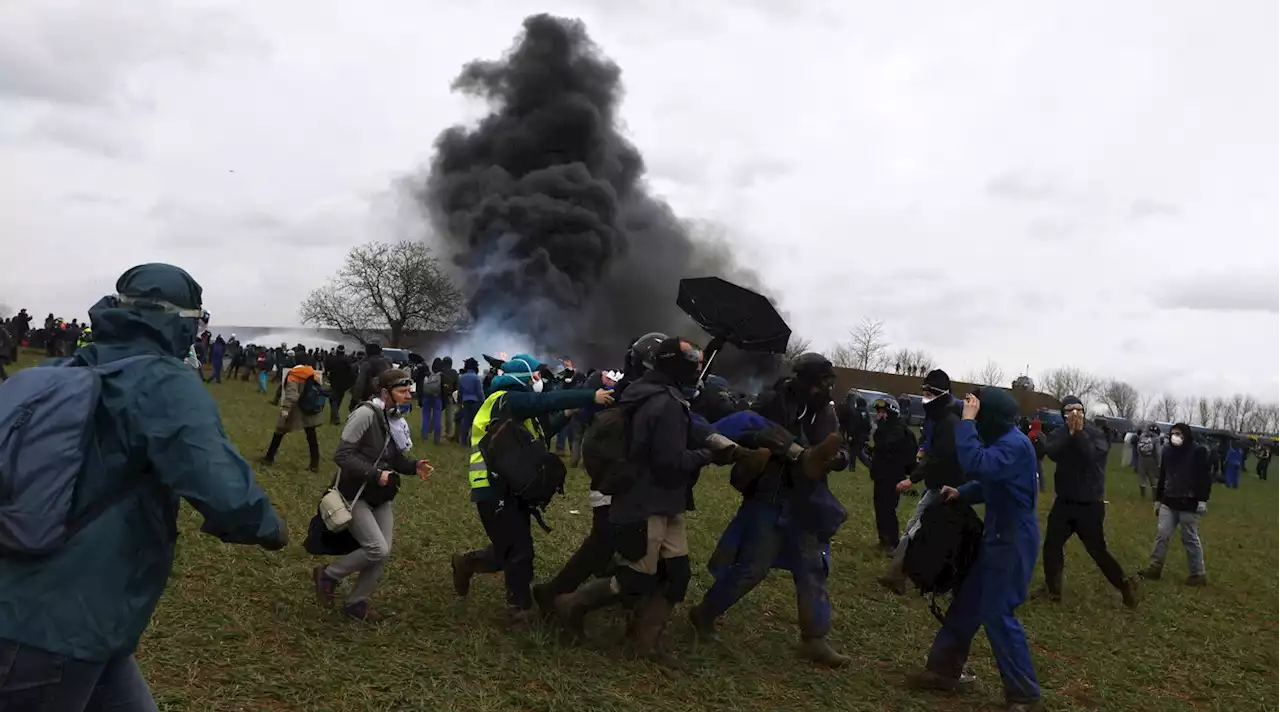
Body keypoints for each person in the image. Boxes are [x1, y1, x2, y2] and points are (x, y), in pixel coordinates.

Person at [0, 264, 288, 709]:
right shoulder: (165, 382)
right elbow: (227, 494)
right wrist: (269, 528)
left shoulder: (54, 371)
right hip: (55, 625)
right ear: (181, 320)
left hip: (74, 614)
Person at [688, 352, 849, 668]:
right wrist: (771, 444)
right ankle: (704, 614)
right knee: (752, 567)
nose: (827, 390)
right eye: (822, 383)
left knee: (812, 569)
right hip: (770, 497)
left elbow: (840, 448)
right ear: (805, 380)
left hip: (807, 500)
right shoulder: (772, 402)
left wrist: (837, 459)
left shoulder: (825, 412)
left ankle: (814, 639)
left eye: (830, 383)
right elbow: (743, 428)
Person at [449, 354, 612, 628]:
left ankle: (466, 563)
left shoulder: (519, 410)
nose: (540, 381)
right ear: (522, 378)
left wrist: (567, 415)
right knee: (519, 550)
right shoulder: (505, 399)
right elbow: (543, 402)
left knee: (509, 547)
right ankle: (519, 610)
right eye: (536, 376)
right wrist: (587, 397)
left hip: (511, 484)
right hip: (492, 485)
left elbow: (543, 430)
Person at [906, 388, 1041, 712]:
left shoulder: (1013, 444)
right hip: (997, 536)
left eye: (976, 416)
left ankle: (1025, 695)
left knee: (998, 612)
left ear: (988, 419)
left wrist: (965, 423)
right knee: (967, 601)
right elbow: (990, 482)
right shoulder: (1005, 443)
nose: (972, 421)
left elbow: (975, 462)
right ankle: (943, 671)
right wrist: (962, 493)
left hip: (1014, 540)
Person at [314, 369, 434, 621]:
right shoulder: (366, 414)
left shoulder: (393, 417)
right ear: (384, 392)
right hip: (354, 492)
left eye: (408, 391)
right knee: (377, 548)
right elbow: (342, 455)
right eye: (402, 391)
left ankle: (356, 603)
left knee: (383, 550)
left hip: (380, 495)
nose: (408, 395)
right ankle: (328, 575)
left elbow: (392, 457)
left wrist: (413, 466)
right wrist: (375, 473)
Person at [1042, 396, 1138, 608]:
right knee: (1051, 545)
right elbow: (1052, 453)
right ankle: (1053, 590)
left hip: (1089, 504)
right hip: (1064, 502)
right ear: (1063, 414)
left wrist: (1079, 434)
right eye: (1069, 410)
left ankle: (1124, 585)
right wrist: (1070, 435)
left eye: (1079, 410)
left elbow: (1089, 455)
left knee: (1097, 550)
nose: (1075, 414)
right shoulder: (1059, 434)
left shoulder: (1096, 434)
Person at [880, 369, 965, 595]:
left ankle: (899, 576)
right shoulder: (939, 418)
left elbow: (940, 456)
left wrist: (913, 479)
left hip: (946, 487)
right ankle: (904, 576)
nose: (925, 397)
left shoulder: (949, 421)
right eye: (924, 392)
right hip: (941, 485)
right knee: (925, 531)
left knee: (917, 531)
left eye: (928, 393)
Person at [1140, 423, 1211, 586]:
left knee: (1190, 538)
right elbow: (1163, 475)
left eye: (1179, 433)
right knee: (1162, 534)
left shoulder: (1198, 452)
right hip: (1169, 501)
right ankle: (1154, 568)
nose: (1175, 436)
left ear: (1186, 435)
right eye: (1173, 433)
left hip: (1189, 502)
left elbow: (1204, 478)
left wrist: (1202, 500)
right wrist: (1158, 500)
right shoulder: (1168, 451)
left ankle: (1197, 573)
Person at [869, 397, 917, 553]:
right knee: (880, 507)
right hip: (881, 474)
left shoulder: (897, 429)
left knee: (888, 509)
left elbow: (888, 447)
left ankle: (892, 541)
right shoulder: (887, 428)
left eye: (882, 412)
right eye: (878, 412)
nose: (879, 416)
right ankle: (884, 539)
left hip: (892, 475)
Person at [260, 360, 325, 472]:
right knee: (311, 434)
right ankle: (315, 464)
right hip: (309, 408)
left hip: (295, 409)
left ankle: (268, 458)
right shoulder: (312, 374)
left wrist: (285, 409)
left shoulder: (293, 375)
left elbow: (291, 394)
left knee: (279, 430)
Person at [456, 357, 485, 445]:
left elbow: (460, 391)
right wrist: (483, 401)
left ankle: (463, 441)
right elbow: (479, 392)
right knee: (475, 422)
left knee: (466, 422)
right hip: (476, 402)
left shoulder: (462, 378)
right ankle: (472, 440)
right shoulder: (476, 378)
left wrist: (459, 401)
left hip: (465, 401)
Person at [325, 345, 354, 425]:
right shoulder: (346, 360)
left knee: (333, 400)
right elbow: (350, 372)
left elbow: (327, 368)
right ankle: (334, 417)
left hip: (334, 383)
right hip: (343, 384)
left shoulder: (333, 359)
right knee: (337, 400)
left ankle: (335, 418)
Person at [1136, 424, 1162, 500]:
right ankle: (1155, 497)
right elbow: (1158, 452)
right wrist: (1159, 463)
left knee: (1142, 478)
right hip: (1152, 459)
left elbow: (1138, 448)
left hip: (1141, 459)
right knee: (1153, 479)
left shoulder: (1142, 436)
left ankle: (1142, 496)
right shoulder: (1156, 438)